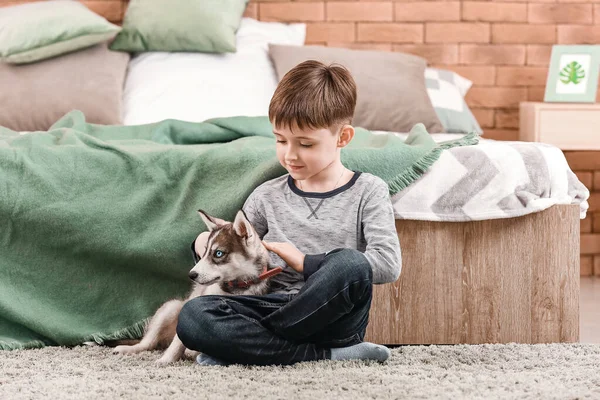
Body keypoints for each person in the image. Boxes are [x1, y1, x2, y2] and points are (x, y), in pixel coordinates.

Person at [176, 60, 402, 366]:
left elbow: (388, 264)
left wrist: (308, 263)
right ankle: (325, 356)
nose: (290, 154)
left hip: (333, 317)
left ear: (343, 137)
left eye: (305, 144)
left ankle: (247, 348)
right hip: (272, 306)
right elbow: (236, 246)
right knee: (192, 316)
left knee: (351, 263)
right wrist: (204, 243)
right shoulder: (266, 195)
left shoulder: (368, 190)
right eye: (281, 140)